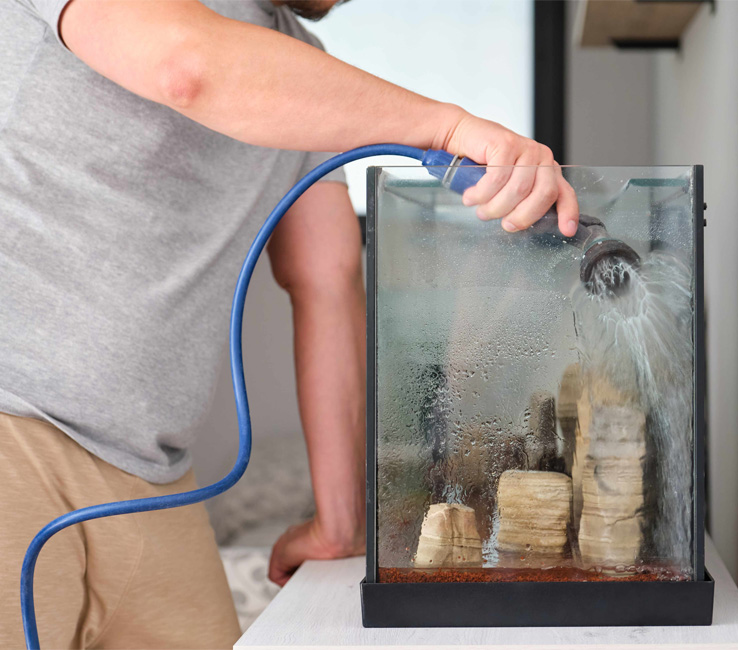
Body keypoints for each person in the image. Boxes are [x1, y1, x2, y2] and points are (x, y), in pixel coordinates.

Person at [0, 0, 580, 647]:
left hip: (149, 478)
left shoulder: (300, 69)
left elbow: (328, 282)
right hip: (13, 435)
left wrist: (340, 522)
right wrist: (446, 128)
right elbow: (186, 65)